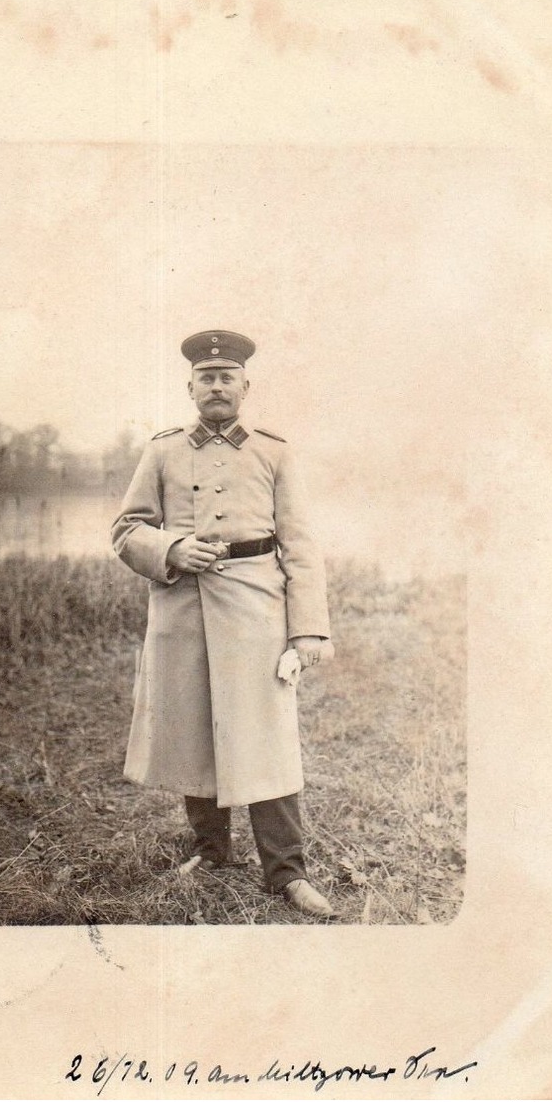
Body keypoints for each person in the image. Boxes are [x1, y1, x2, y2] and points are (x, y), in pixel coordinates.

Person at [111, 329, 336, 917]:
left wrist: (306, 628)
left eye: (226, 378)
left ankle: (287, 872)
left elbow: (302, 546)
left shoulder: (274, 451)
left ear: (244, 386)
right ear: (190, 387)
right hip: (180, 607)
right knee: (191, 728)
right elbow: (127, 529)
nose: (216, 386)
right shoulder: (161, 450)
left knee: (265, 736)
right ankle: (212, 852)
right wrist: (171, 550)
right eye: (206, 378)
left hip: (256, 607)